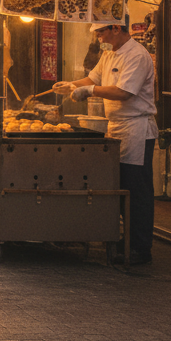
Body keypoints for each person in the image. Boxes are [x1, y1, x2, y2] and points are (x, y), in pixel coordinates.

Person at [53, 21, 157, 266]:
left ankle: (141, 247)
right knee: (118, 184)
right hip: (116, 126)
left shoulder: (137, 55)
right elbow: (92, 78)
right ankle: (125, 240)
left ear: (117, 28)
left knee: (136, 189)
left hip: (136, 128)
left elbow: (123, 93)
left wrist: (88, 91)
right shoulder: (109, 53)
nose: (98, 37)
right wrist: (71, 85)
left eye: (101, 32)